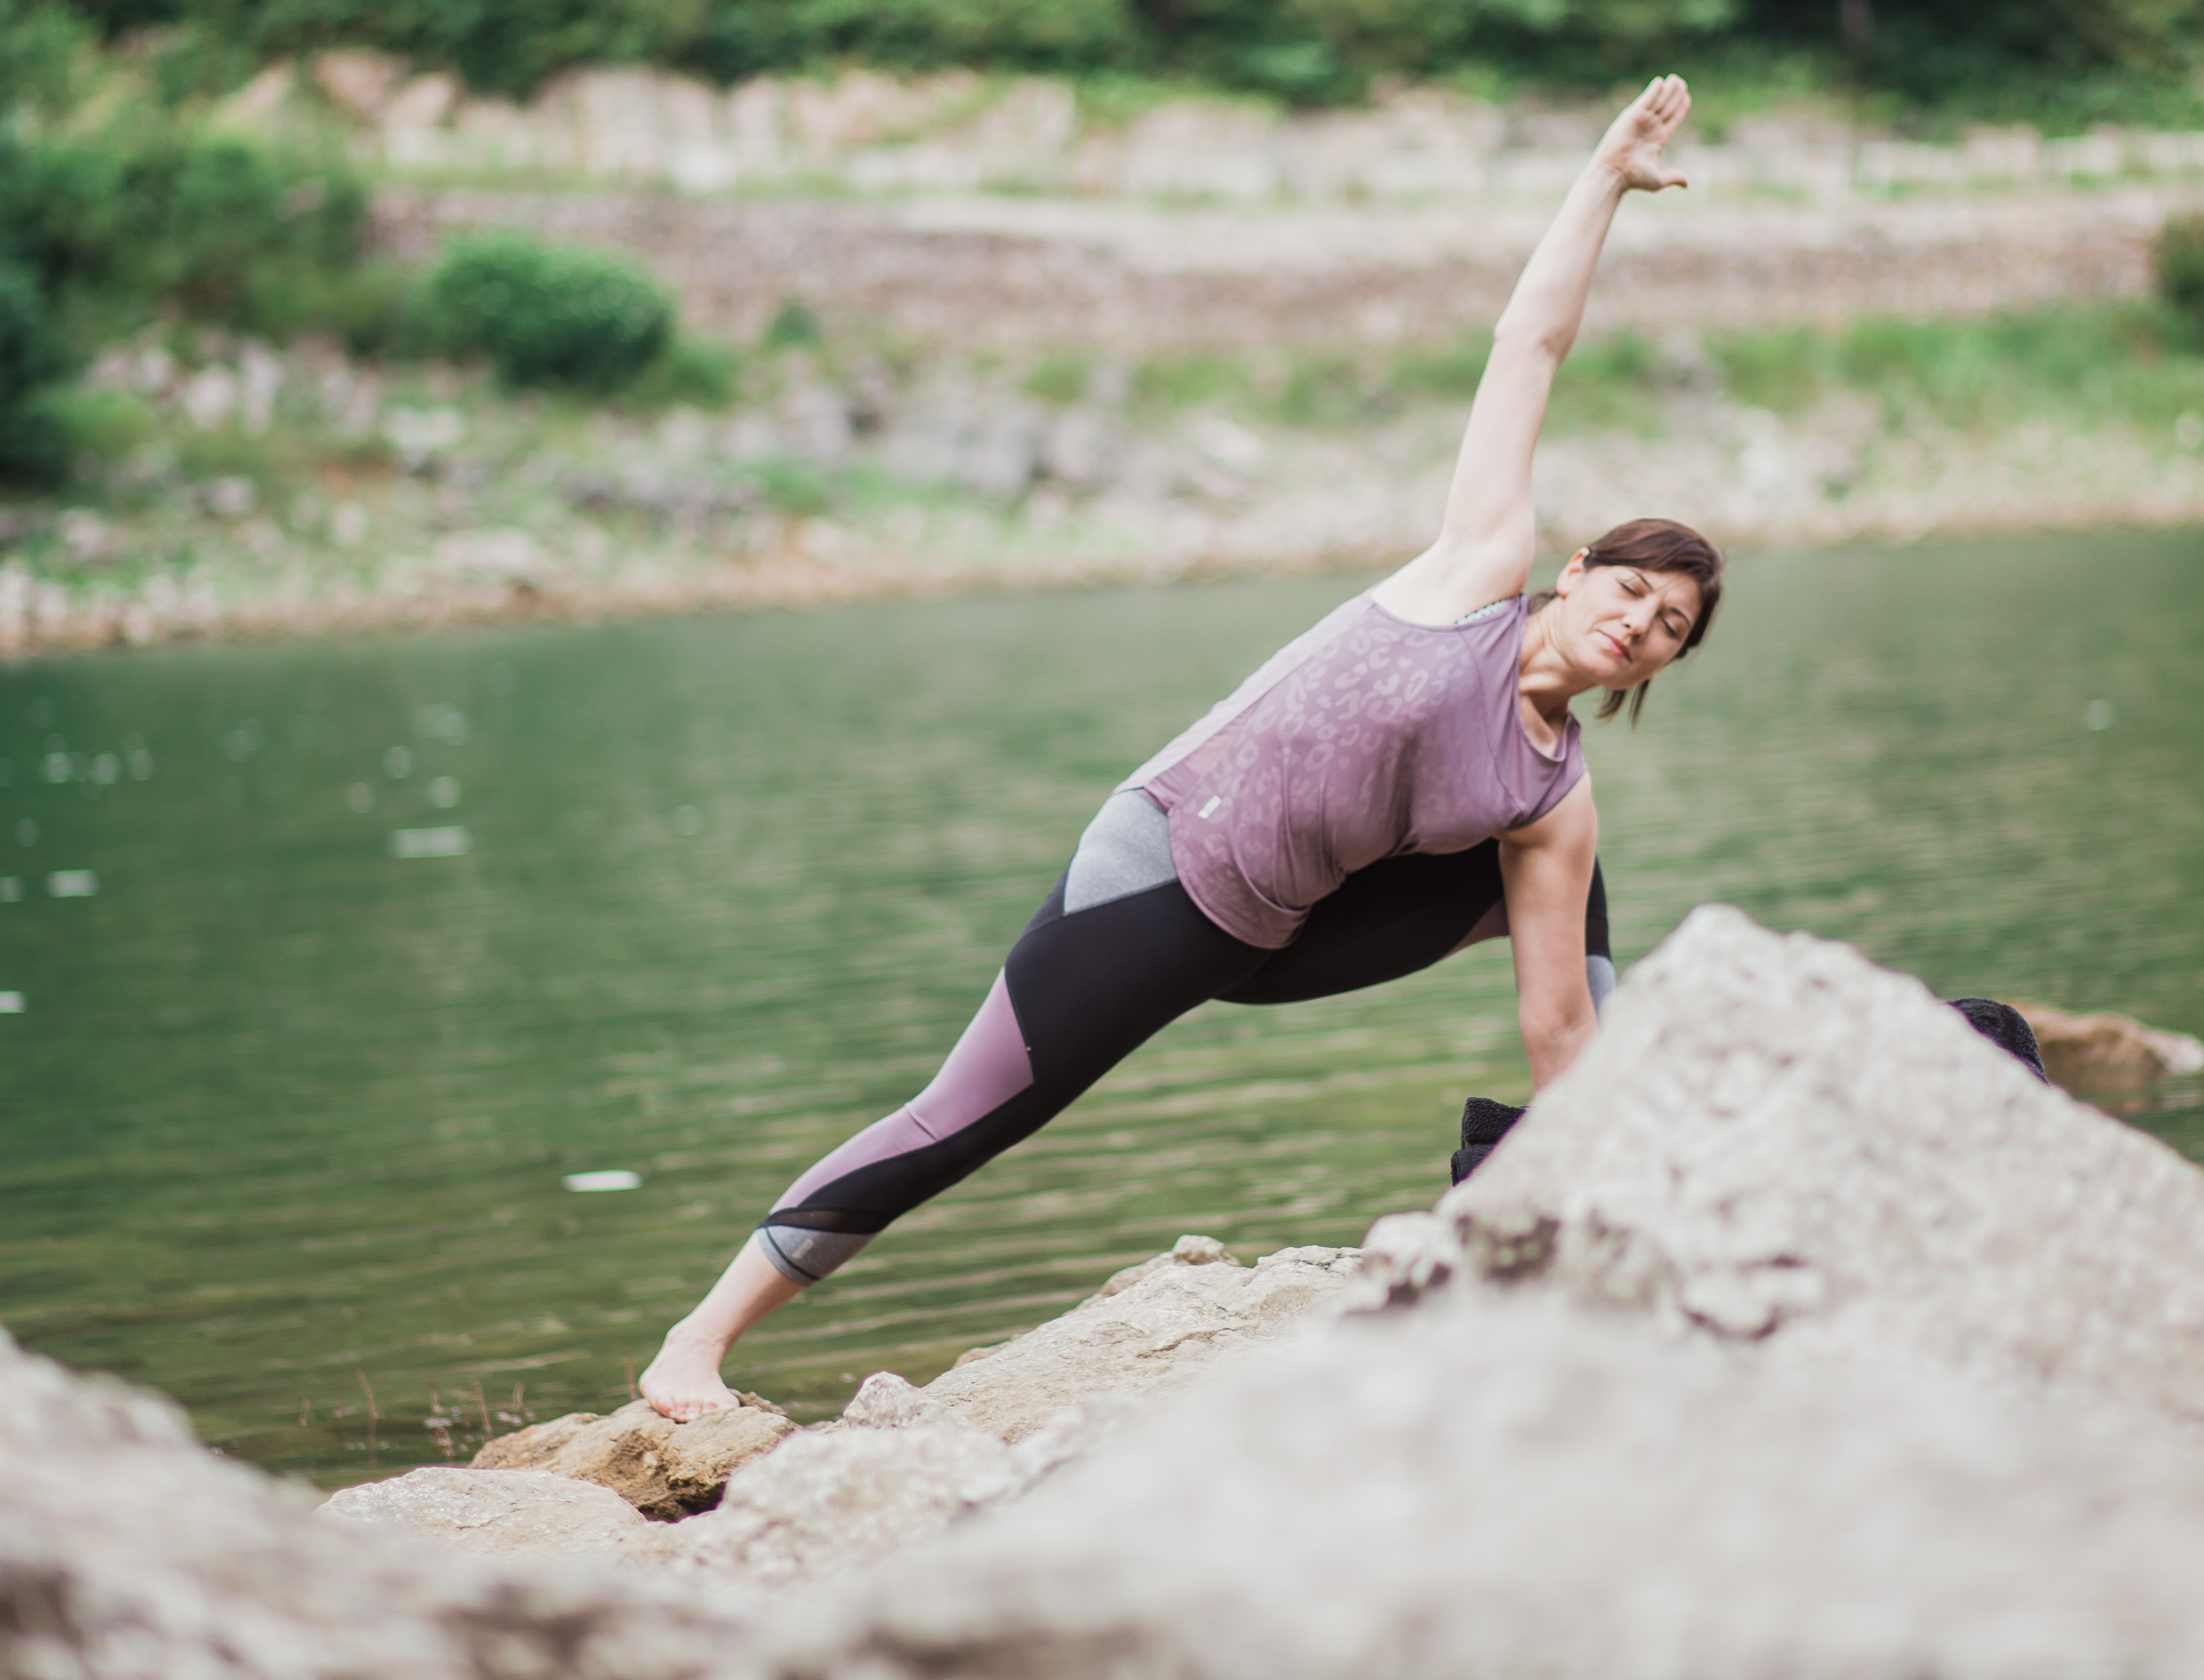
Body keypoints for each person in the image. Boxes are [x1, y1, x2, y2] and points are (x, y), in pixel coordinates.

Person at [642, 75, 1724, 1420]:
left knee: (1572, 875)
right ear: (1576, 572)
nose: (1639, 622)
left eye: (1670, 626)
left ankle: (1611, 1193)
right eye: (1631, 589)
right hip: (1168, 873)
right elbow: (1530, 347)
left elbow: (1552, 1022)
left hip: (1300, 936)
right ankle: (696, 1340)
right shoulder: (1474, 571)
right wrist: (1604, 180)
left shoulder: (1552, 791)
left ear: (1668, 663)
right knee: (974, 1111)